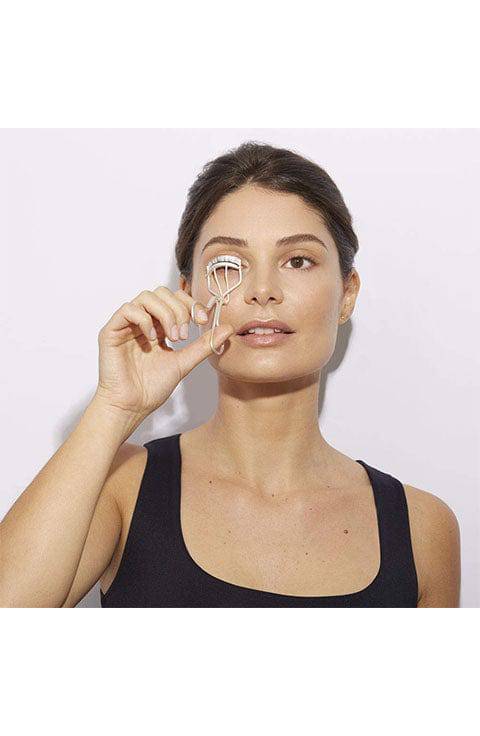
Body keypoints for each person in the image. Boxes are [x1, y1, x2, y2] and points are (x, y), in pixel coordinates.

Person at [0, 141, 461, 607]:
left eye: (298, 260)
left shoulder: (421, 529)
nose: (262, 291)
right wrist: (115, 407)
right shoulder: (121, 487)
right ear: (190, 294)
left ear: (347, 294)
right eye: (228, 265)